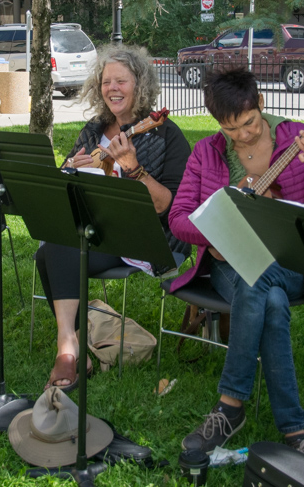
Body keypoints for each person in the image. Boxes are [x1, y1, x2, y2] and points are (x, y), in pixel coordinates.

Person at [167, 67, 304, 457]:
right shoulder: (207, 152)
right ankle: (293, 430)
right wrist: (217, 230)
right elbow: (179, 217)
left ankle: (229, 408)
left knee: (260, 282)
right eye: (231, 127)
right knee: (267, 299)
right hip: (227, 261)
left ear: (262, 106)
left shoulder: (299, 138)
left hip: (290, 261)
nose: (243, 134)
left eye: (250, 122)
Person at [34, 44, 191, 391]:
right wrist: (71, 169)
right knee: (48, 251)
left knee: (57, 249)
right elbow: (66, 188)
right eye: (106, 81)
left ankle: (69, 351)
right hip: (99, 228)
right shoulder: (94, 129)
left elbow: (168, 206)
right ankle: (73, 345)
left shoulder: (166, 134)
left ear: (141, 84)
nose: (113, 88)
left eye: (122, 80)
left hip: (149, 236)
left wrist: (132, 168)